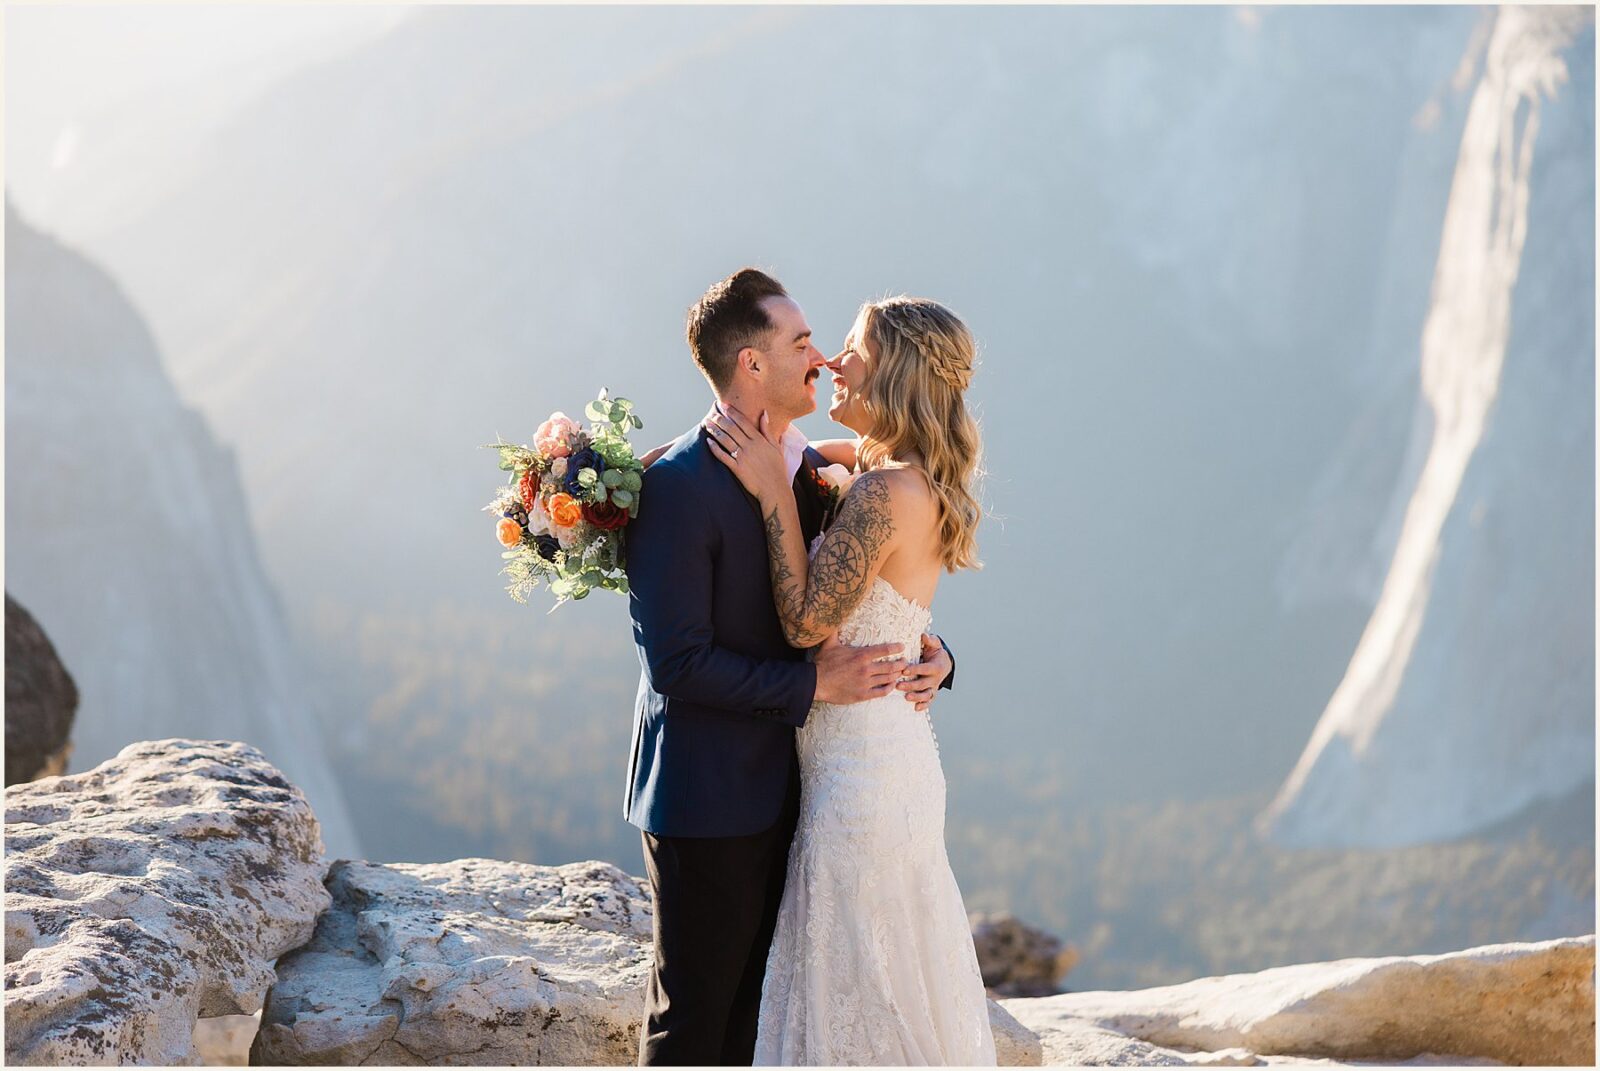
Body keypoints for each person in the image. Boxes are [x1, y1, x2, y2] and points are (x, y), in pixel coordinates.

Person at [623, 268, 958, 1066]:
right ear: (751, 365)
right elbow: (678, 663)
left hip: (809, 789)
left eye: (832, 346)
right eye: (804, 343)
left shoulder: (818, 469)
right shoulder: (675, 483)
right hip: (711, 793)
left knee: (766, 1020)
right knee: (696, 1025)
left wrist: (934, 657)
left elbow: (886, 575)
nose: (824, 361)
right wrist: (813, 684)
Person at [703, 294, 995, 1065]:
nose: (832, 361)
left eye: (849, 349)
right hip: (885, 756)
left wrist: (771, 495)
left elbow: (804, 622)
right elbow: (803, 451)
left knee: (861, 1000)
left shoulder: (879, 492)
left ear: (890, 369)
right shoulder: (898, 474)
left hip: (860, 781)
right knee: (880, 987)